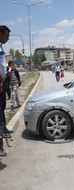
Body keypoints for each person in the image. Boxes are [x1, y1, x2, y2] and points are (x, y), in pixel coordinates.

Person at [0, 25, 12, 156]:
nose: (8, 38)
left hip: (2, 80)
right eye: (6, 36)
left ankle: (4, 130)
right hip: (0, 82)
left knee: (2, 107)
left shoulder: (1, 46)